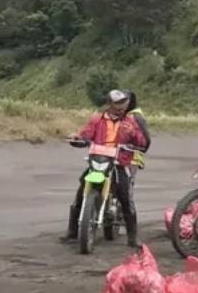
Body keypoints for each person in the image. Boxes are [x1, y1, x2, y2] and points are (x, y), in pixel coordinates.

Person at [62, 90, 148, 248]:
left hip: (119, 162)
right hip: (98, 160)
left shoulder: (130, 122)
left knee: (125, 197)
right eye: (118, 104)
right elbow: (86, 134)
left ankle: (132, 237)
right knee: (81, 192)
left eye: (123, 104)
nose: (121, 107)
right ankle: (72, 232)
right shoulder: (97, 120)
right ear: (109, 105)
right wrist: (77, 138)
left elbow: (142, 142)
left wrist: (133, 135)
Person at [126, 91, 151, 171]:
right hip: (119, 153)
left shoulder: (137, 116)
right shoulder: (120, 114)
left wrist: (142, 151)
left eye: (125, 100)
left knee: (129, 176)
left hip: (134, 152)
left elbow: (147, 137)